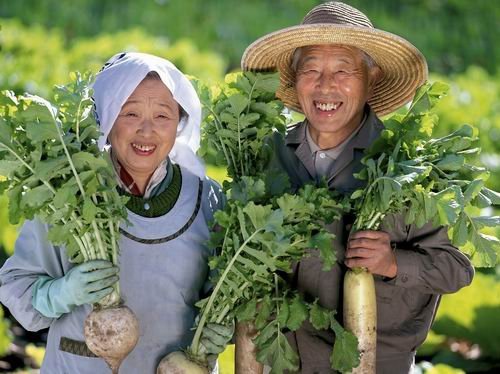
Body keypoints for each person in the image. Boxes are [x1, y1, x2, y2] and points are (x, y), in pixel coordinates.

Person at [242, 2, 474, 373]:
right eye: (311, 69)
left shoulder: (409, 165)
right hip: (283, 360)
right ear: (295, 79)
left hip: (376, 363)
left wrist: (394, 262)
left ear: (372, 77)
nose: (325, 85)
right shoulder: (266, 156)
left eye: (343, 70)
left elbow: (457, 269)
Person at [0, 52, 230, 373]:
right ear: (107, 120)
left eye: (162, 116)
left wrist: (223, 325)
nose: (146, 131)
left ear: (179, 122)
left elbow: (221, 287)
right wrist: (59, 293)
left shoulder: (207, 198)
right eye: (131, 114)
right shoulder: (65, 192)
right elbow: (16, 288)